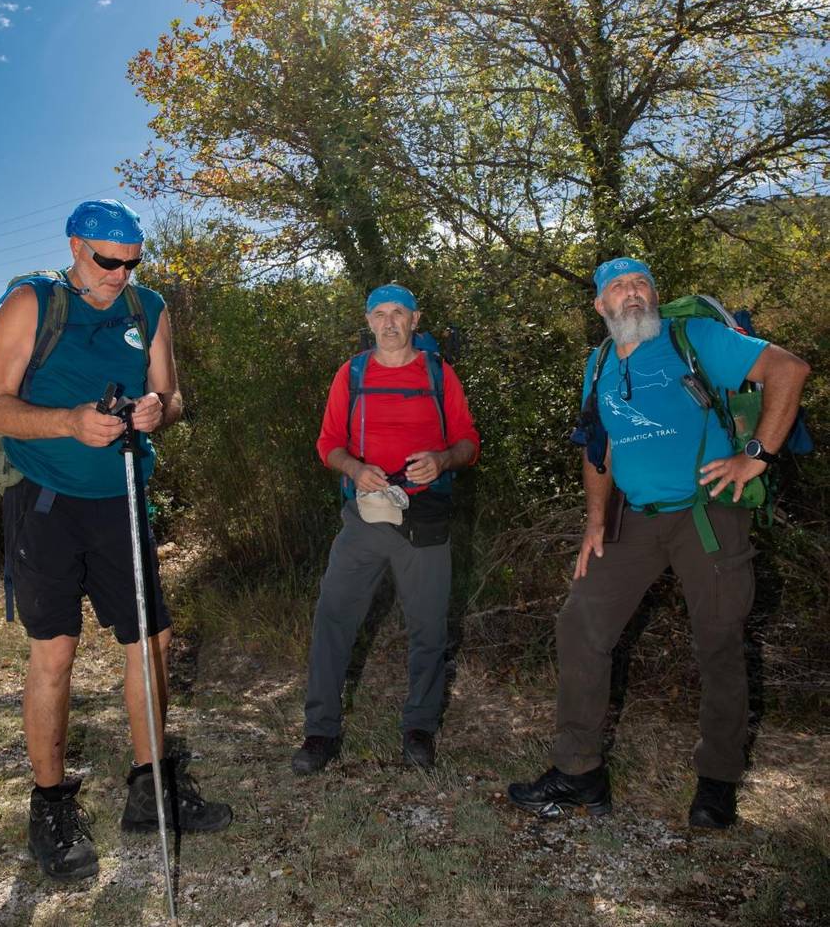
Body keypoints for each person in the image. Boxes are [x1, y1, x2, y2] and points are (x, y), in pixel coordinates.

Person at [0, 199, 231, 881]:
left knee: (151, 644)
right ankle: (51, 804)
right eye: (106, 261)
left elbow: (173, 399)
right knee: (55, 652)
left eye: (131, 261)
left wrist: (156, 411)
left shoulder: (148, 307)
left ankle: (151, 789)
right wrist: (68, 422)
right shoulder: (33, 302)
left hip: (122, 498)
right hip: (48, 504)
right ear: (75, 246)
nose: (120, 275)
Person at [508, 257, 810, 830]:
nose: (632, 294)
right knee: (580, 625)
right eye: (618, 288)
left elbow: (789, 370)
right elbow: (597, 446)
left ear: (654, 294)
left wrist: (757, 456)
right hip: (633, 521)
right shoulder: (597, 363)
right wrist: (595, 520)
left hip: (707, 515)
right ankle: (579, 773)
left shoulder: (693, 337)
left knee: (719, 644)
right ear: (600, 306)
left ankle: (717, 782)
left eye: (641, 283)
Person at [292, 283, 480, 774]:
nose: (390, 322)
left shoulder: (439, 373)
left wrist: (442, 460)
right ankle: (320, 734)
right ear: (369, 321)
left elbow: (468, 442)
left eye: (399, 313)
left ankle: (419, 729)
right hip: (365, 518)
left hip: (426, 519)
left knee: (429, 629)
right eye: (380, 314)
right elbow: (327, 444)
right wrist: (355, 470)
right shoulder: (351, 374)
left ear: (416, 321)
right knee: (333, 620)